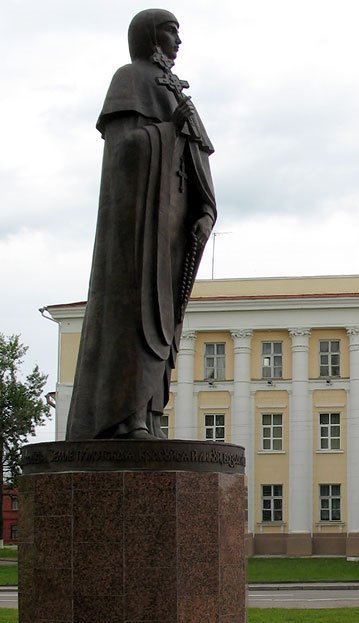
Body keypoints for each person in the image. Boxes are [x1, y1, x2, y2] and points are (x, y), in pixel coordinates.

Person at [66, 9, 216, 440]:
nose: (179, 41)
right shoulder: (130, 79)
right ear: (150, 36)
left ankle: (148, 414)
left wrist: (204, 210)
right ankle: (122, 418)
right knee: (134, 318)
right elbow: (125, 152)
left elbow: (198, 158)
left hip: (170, 228)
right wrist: (170, 129)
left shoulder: (173, 89)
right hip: (137, 230)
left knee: (164, 325)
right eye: (172, 31)